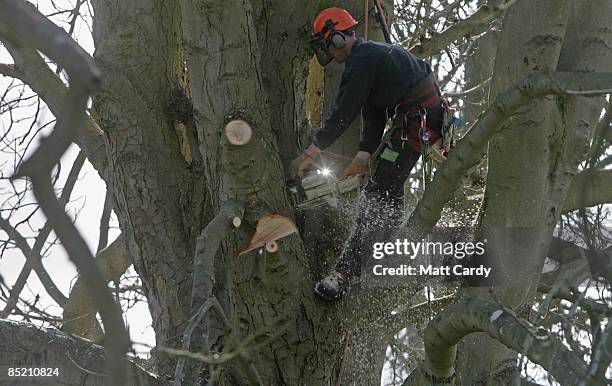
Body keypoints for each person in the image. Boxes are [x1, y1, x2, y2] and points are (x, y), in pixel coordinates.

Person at [290, 7, 446, 301]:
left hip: (416, 122)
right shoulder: (370, 58)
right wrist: (362, 157)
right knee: (386, 190)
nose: (329, 54)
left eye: (327, 46)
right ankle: (386, 248)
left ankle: (342, 275)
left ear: (337, 38)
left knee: (375, 197)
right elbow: (373, 113)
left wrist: (311, 151)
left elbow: (343, 113)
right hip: (414, 122)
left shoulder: (361, 60)